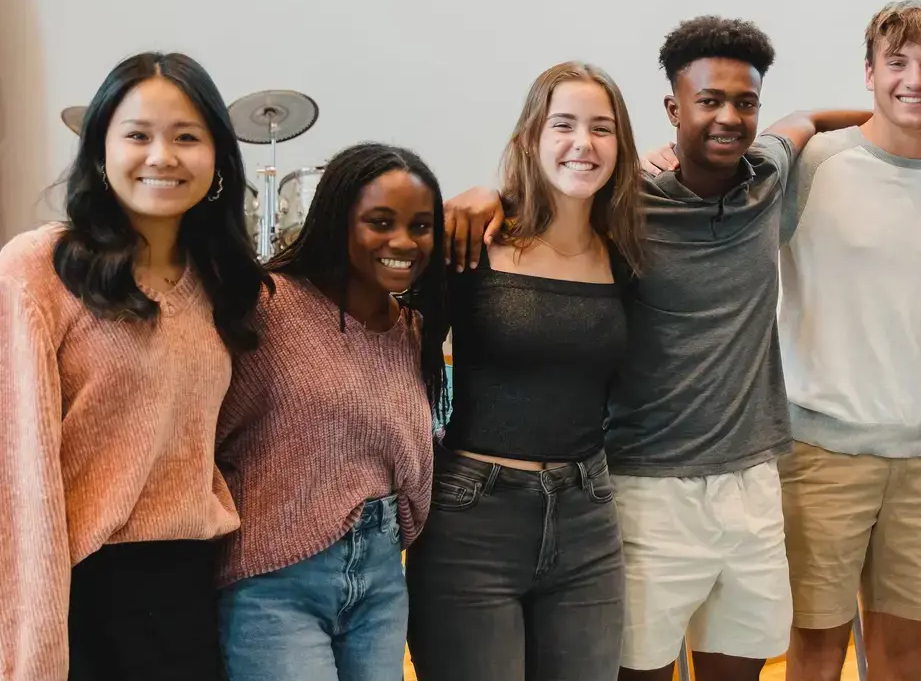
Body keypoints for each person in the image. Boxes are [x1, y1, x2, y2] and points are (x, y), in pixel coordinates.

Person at [446, 16, 921, 681]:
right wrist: (491, 193)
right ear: (673, 109)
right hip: (646, 487)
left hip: (752, 485)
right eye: (708, 102)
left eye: (744, 102)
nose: (728, 117)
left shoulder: (768, 176)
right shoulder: (625, 201)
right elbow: (554, 192)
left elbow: (803, 119)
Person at [0, 52, 268, 680]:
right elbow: (18, 475)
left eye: (186, 137)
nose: (161, 157)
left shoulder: (223, 285)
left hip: (190, 593)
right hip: (75, 594)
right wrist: (33, 649)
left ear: (219, 160)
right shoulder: (38, 269)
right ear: (100, 151)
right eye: (138, 135)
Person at [405, 61, 645, 681]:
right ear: (530, 138)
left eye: (602, 128)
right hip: (474, 518)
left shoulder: (623, 257)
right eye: (563, 125)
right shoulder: (472, 242)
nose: (582, 144)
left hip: (587, 516)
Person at [771, 0, 921, 681]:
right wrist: (808, 115)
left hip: (919, 456)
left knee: (903, 656)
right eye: (897, 63)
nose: (915, 79)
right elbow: (741, 166)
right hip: (823, 452)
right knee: (818, 650)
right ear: (868, 72)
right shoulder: (817, 161)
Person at [214, 143, 449, 681]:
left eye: (421, 225)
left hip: (382, 579)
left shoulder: (413, 332)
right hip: (275, 580)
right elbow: (206, 432)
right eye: (380, 222)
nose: (403, 242)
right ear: (338, 221)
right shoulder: (267, 307)